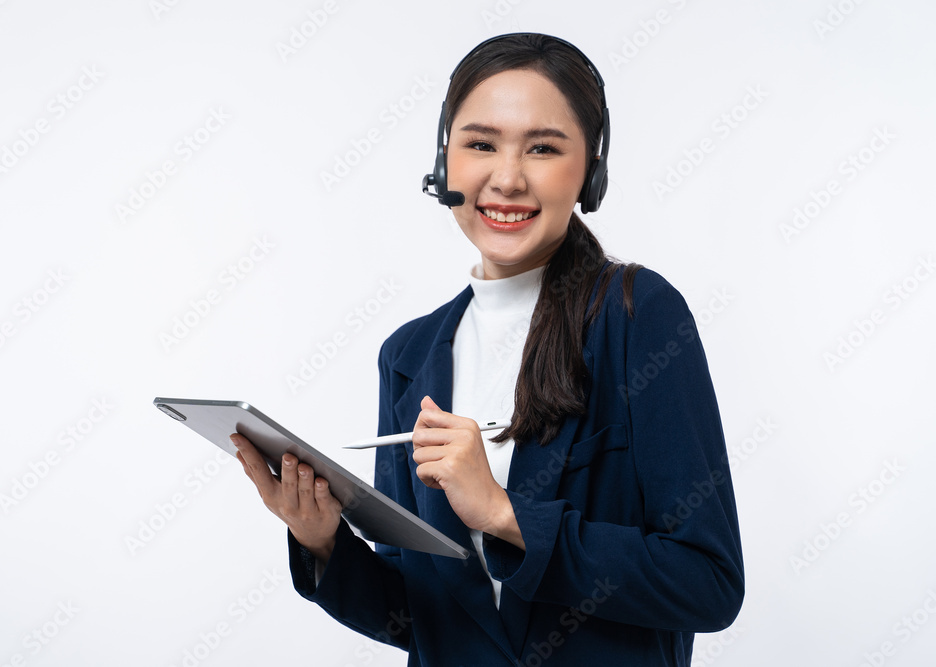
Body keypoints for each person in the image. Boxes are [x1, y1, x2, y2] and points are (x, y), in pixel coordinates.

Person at [232, 32, 744, 666]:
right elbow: (418, 618)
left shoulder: (636, 315)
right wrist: (324, 542)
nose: (506, 177)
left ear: (589, 170)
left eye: (543, 148)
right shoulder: (409, 354)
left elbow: (708, 582)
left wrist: (505, 513)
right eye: (480, 144)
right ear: (446, 165)